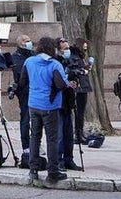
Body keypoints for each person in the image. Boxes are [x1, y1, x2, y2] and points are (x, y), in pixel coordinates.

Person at [21, 36, 69, 183]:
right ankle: (52, 172)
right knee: (52, 139)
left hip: (33, 105)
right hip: (50, 106)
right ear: (52, 48)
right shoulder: (54, 65)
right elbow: (61, 85)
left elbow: (22, 82)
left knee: (35, 137)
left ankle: (33, 169)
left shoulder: (29, 62)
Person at [55, 38, 83, 171]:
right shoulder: (55, 63)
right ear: (58, 51)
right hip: (58, 103)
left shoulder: (70, 62)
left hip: (69, 102)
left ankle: (69, 159)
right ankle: (58, 160)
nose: (67, 51)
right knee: (59, 135)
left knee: (69, 134)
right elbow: (56, 83)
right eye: (64, 49)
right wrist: (66, 83)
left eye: (68, 48)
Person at [10, 34, 34, 167]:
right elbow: (21, 73)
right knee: (25, 119)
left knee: (36, 120)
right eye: (26, 41)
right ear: (20, 44)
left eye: (29, 40)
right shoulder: (16, 57)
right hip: (24, 92)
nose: (29, 43)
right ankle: (26, 146)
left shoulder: (33, 55)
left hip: (36, 91)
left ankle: (35, 144)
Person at [70, 37, 93, 141]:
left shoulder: (79, 57)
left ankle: (79, 132)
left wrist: (87, 67)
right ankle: (78, 134)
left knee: (81, 111)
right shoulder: (75, 57)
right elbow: (75, 71)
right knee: (79, 111)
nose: (85, 48)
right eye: (84, 46)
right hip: (79, 87)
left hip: (82, 86)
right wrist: (84, 70)